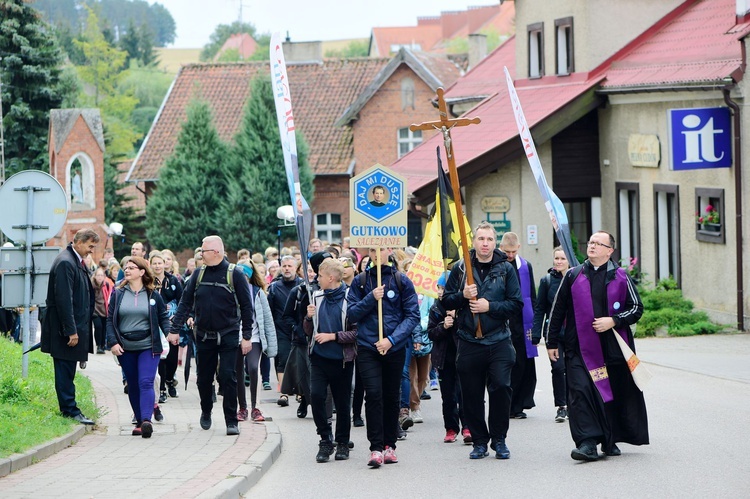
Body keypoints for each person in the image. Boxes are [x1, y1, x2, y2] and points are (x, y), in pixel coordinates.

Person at [546, 231, 648, 461]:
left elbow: (636, 309)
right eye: (590, 242)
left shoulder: (621, 277)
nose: (591, 246)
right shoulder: (573, 275)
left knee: (609, 394)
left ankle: (609, 439)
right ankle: (587, 443)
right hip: (578, 348)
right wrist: (551, 341)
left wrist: (614, 320)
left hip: (612, 350)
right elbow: (557, 310)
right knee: (580, 392)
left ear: (609, 251)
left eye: (598, 243)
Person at [442, 221, 523, 460]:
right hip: (468, 340)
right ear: (473, 241)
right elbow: (445, 301)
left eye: (489, 239)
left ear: (494, 242)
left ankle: (499, 439)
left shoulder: (505, 269)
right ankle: (479, 441)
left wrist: (490, 307)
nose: (485, 244)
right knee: (471, 394)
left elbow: (516, 303)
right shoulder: (461, 268)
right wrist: (461, 296)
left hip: (498, 339)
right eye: (481, 239)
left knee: (500, 387)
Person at [167, 236, 254, 436]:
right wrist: (174, 330)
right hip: (204, 336)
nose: (200, 255)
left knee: (228, 376)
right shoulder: (198, 274)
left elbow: (247, 307)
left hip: (229, 335)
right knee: (204, 379)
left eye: (203, 251)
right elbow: (185, 303)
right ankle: (206, 410)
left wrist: (247, 335)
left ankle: (231, 421)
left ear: (215, 252)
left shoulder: (236, 275)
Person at [348, 247, 420, 468]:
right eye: (372, 248)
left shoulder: (402, 281)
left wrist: (391, 340)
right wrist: (371, 297)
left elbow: (412, 315)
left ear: (390, 250)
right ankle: (376, 448)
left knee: (391, 396)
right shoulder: (360, 281)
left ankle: (390, 445)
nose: (377, 252)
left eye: (382, 248)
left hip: (394, 348)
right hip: (368, 347)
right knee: (374, 395)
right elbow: (351, 314)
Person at [106, 257, 172, 438]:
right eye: (126, 267)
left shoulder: (153, 295)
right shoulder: (118, 293)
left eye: (132, 268)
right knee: (133, 384)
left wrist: (169, 332)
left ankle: (146, 421)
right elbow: (110, 319)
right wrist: (113, 342)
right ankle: (139, 420)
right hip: (125, 347)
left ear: (142, 272)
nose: (127, 270)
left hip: (148, 346)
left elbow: (163, 317)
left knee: (146, 382)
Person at [40, 228, 100, 425]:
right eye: (90, 246)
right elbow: (64, 300)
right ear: (80, 242)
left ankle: (70, 407)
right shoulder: (66, 262)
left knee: (69, 369)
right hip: (65, 331)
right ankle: (69, 409)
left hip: (72, 328)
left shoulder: (74, 261)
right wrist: (71, 330)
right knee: (65, 370)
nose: (91, 251)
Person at [304, 259, 358, 462]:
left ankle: (343, 442)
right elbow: (308, 331)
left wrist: (333, 336)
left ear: (331, 278)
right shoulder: (316, 297)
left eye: (320, 276)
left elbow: (356, 333)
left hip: (342, 359)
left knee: (342, 403)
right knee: (316, 396)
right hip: (319, 357)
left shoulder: (350, 298)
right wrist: (308, 318)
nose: (317, 280)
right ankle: (325, 440)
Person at [281, 252, 333, 418]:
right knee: (304, 374)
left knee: (323, 378)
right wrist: (298, 330)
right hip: (303, 340)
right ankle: (304, 399)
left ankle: (324, 409)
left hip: (326, 339)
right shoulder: (300, 291)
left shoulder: (333, 290)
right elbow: (287, 315)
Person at [427, 271, 470, 444]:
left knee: (465, 394)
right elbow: (431, 333)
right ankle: (451, 428)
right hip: (444, 358)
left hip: (463, 356)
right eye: (440, 288)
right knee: (448, 396)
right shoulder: (436, 308)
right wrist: (443, 326)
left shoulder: (463, 305)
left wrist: (457, 320)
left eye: (445, 288)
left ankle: (468, 426)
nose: (441, 291)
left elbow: (470, 330)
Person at [499, 232, 538, 419]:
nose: (510, 255)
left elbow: (532, 293)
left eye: (513, 251)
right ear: (501, 248)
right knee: (506, 365)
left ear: (519, 248)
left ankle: (519, 404)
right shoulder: (497, 264)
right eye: (507, 251)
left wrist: (537, 322)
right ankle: (505, 405)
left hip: (523, 322)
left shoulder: (525, 266)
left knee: (523, 363)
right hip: (503, 319)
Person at [532, 246, 570, 423]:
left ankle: (574, 404)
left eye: (563, 258)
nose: (559, 262)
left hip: (572, 333)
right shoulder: (547, 281)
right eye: (557, 258)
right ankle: (561, 407)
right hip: (553, 334)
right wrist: (536, 334)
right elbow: (539, 309)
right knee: (558, 368)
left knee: (572, 370)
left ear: (569, 260)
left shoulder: (576, 278)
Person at [236, 261, 277, 422]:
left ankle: (255, 407)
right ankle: (242, 408)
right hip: (234, 338)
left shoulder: (258, 293)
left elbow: (267, 319)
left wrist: (271, 344)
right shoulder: (230, 292)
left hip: (254, 338)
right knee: (237, 372)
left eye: (244, 276)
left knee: (253, 368)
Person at [267, 255, 302, 407]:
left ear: (295, 268)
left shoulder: (302, 285)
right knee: (283, 359)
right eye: (285, 266)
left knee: (300, 361)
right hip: (280, 329)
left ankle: (301, 392)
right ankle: (284, 393)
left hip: (299, 328)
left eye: (290, 266)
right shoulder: (275, 287)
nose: (287, 269)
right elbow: (270, 309)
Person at [150, 252, 183, 403]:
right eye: (154, 263)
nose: (157, 266)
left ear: (165, 264)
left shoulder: (173, 280)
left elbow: (182, 300)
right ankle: (162, 388)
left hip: (172, 322)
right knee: (161, 356)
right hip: (155, 324)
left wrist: (176, 316)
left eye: (160, 263)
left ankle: (170, 379)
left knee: (172, 356)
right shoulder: (149, 281)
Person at [91, 268, 113, 354]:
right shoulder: (92, 285)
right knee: (98, 326)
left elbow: (109, 296)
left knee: (104, 328)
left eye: (101, 275)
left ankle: (103, 345)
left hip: (104, 309)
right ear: (95, 276)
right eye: (98, 275)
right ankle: (98, 345)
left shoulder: (106, 285)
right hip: (95, 311)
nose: (100, 277)